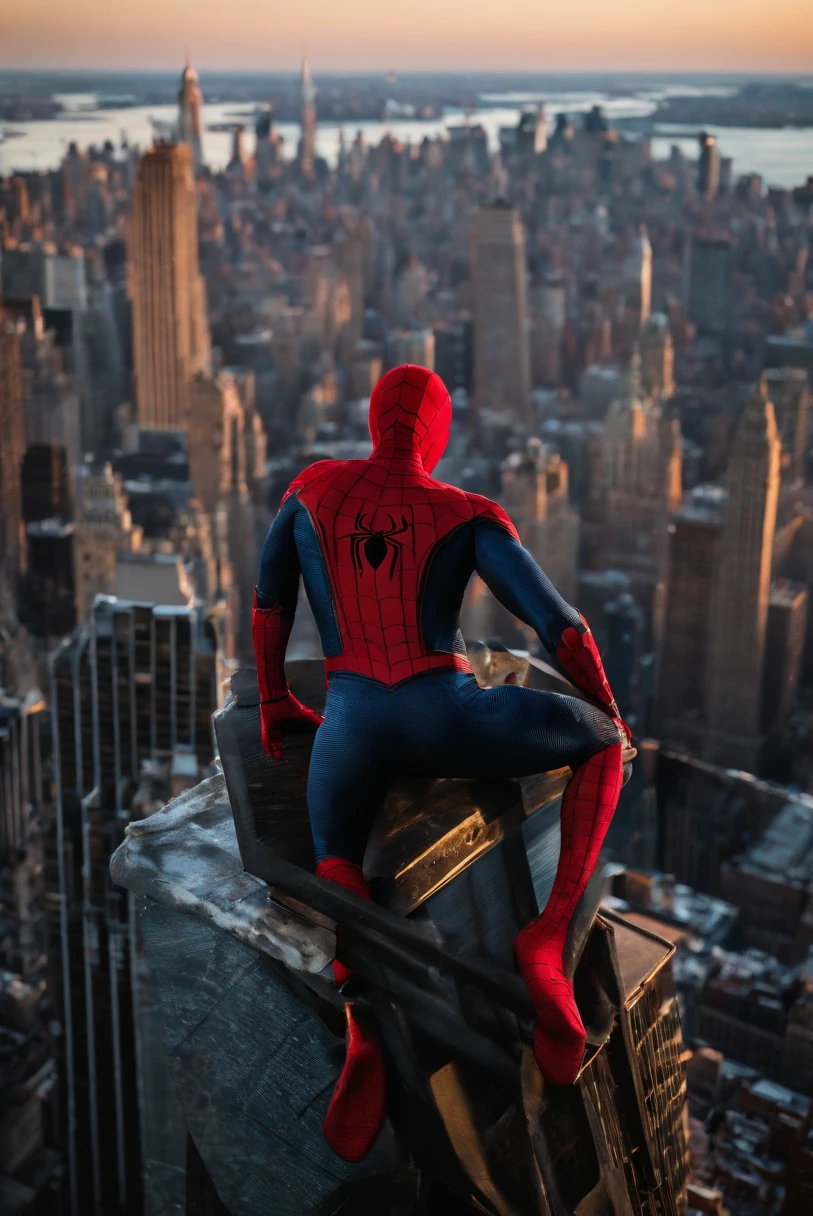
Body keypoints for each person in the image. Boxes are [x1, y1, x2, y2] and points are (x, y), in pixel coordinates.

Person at [254, 364, 630, 1162]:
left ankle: (361, 1021)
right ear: (437, 434)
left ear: (371, 421)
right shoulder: (464, 512)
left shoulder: (313, 490)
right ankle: (546, 942)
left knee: (338, 868)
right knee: (598, 744)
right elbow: (558, 624)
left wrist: (273, 700)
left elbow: (269, 595)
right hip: (448, 712)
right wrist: (609, 711)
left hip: (349, 725)